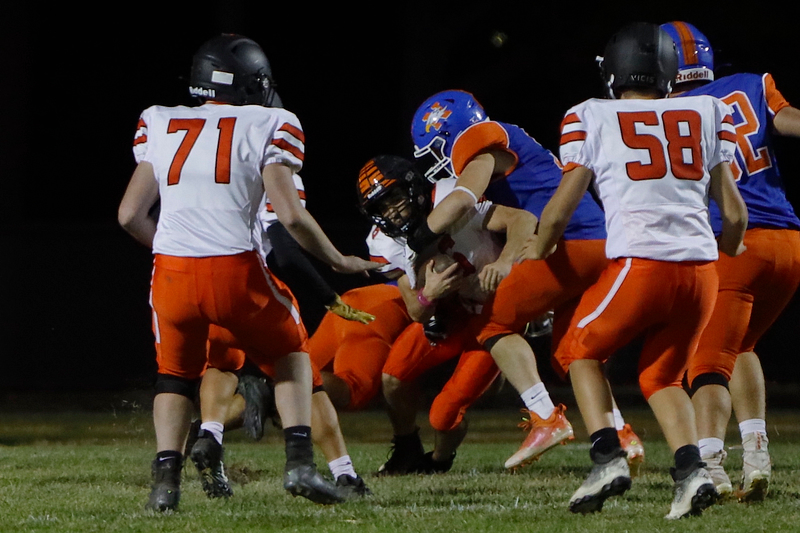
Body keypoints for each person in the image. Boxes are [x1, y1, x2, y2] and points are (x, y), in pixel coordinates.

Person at [117, 33, 378, 511]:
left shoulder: (159, 119)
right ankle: (300, 463)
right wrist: (339, 261)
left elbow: (130, 214)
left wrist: (177, 249)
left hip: (171, 275)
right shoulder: (271, 122)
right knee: (293, 355)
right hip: (234, 269)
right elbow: (291, 217)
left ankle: (165, 486)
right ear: (248, 81)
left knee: (174, 377)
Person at [523, 22, 748, 519]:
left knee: (577, 351)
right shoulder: (707, 110)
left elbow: (559, 211)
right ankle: (692, 472)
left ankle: (607, 458)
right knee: (661, 376)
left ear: (615, 72)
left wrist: (537, 250)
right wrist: (726, 249)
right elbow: (734, 216)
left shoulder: (590, 115)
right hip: (702, 273)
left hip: (641, 264)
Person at [408, 89, 644, 471]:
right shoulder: (511, 141)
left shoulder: (480, 140)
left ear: (452, 132)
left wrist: (418, 236)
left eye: (437, 146)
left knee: (492, 323)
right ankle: (620, 433)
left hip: (569, 242)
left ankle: (544, 417)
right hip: (599, 242)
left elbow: (463, 197)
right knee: (573, 353)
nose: (438, 158)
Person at [662, 20, 800, 502]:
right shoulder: (750, 84)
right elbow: (789, 121)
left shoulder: (663, 112)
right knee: (741, 346)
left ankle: (711, 464)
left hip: (733, 243)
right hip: (788, 245)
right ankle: (757, 453)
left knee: (705, 362)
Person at [358, 154, 556, 474]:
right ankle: (406, 448)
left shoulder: (451, 198)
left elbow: (520, 220)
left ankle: (438, 461)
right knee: (393, 377)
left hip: (491, 316)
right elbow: (416, 310)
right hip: (451, 314)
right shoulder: (384, 242)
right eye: (380, 207)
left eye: (393, 198)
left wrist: (505, 261)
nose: (390, 211)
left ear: (413, 187)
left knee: (442, 415)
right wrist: (429, 295)